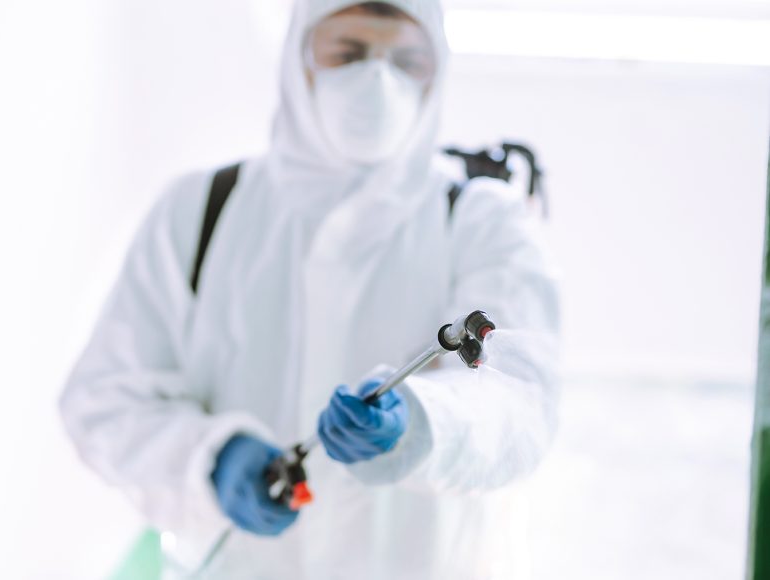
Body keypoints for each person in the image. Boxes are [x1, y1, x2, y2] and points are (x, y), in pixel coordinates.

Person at [60, 0, 560, 578]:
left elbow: (520, 407)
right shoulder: (198, 210)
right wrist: (213, 460)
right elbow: (104, 401)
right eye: (348, 53)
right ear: (299, 58)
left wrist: (421, 424)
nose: (377, 79)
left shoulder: (483, 222)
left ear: (437, 69)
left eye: (407, 61)